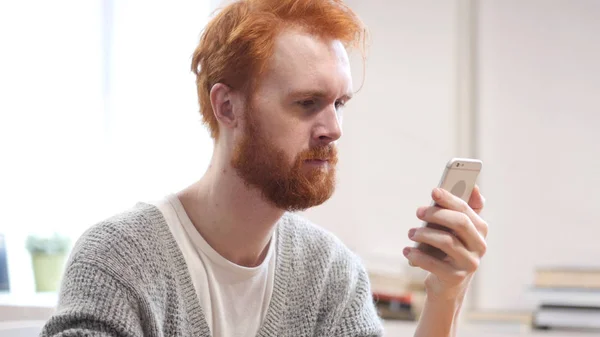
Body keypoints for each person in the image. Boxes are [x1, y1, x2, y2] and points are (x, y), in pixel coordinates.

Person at [40, 0, 488, 336]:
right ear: (227, 106)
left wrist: (444, 296)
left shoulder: (329, 273)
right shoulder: (118, 261)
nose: (333, 128)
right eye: (307, 103)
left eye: (340, 103)